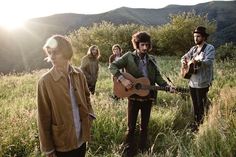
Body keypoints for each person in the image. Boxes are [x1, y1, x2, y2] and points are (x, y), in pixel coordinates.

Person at [109, 31, 174, 157]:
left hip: (148, 98)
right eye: (142, 45)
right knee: (131, 127)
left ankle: (143, 150)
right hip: (133, 97)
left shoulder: (152, 60)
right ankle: (128, 150)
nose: (145, 48)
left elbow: (158, 77)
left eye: (147, 45)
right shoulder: (128, 56)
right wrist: (122, 79)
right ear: (137, 45)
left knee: (145, 126)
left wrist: (167, 86)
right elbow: (112, 66)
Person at [37, 35, 96, 157]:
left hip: (81, 137)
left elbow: (87, 96)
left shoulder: (79, 74)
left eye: (56, 52)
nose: (52, 56)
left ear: (66, 52)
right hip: (62, 142)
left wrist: (89, 116)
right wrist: (48, 149)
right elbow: (43, 117)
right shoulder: (45, 81)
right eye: (49, 53)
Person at [181, 26, 215, 131]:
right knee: (195, 104)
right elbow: (184, 57)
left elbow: (209, 62)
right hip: (192, 81)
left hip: (203, 81)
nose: (196, 39)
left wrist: (198, 62)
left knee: (201, 105)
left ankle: (201, 126)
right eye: (195, 36)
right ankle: (196, 123)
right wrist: (184, 62)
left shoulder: (209, 48)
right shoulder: (194, 48)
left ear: (204, 37)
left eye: (198, 36)